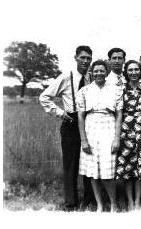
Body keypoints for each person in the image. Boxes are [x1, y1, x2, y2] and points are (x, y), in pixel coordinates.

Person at [39, 45, 94, 211]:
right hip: (70, 122)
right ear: (76, 58)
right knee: (70, 164)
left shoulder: (92, 77)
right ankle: (71, 202)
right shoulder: (65, 77)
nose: (85, 61)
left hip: (89, 123)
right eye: (82, 57)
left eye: (88, 58)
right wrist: (61, 113)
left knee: (89, 162)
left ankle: (89, 200)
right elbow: (44, 97)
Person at [76, 60, 123, 212]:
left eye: (102, 71)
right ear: (91, 72)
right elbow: (81, 116)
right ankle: (100, 205)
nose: (98, 74)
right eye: (95, 71)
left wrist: (116, 138)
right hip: (90, 130)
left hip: (108, 129)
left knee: (107, 172)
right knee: (93, 172)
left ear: (107, 72)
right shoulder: (84, 91)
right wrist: (83, 139)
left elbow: (119, 114)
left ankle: (114, 204)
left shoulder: (116, 90)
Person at [114, 60, 141, 212]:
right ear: (126, 72)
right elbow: (117, 112)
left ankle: (138, 202)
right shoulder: (121, 89)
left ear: (140, 71)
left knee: (140, 169)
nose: (133, 72)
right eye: (130, 70)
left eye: (136, 69)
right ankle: (130, 202)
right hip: (126, 131)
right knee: (127, 169)